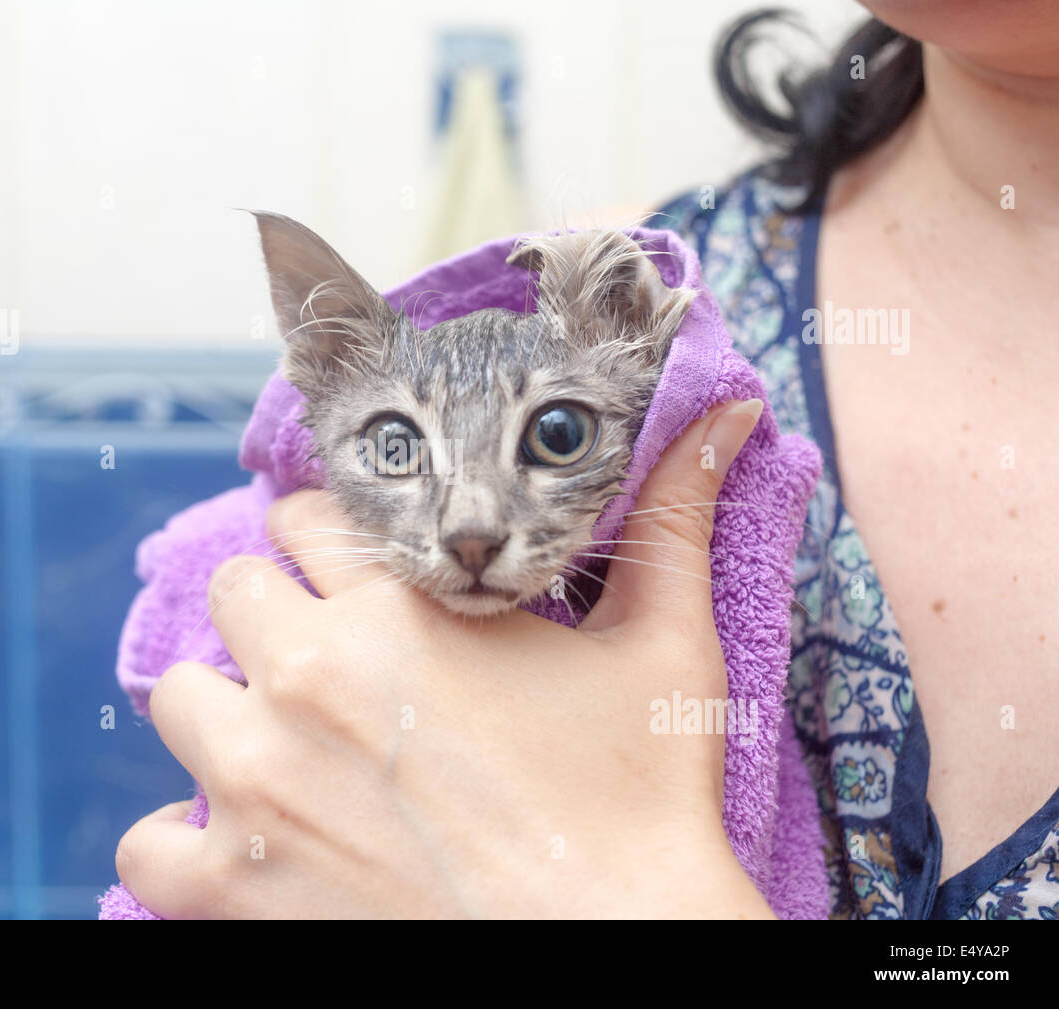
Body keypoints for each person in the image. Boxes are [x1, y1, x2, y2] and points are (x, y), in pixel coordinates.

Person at [114, 2, 1059, 919]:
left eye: (555, 436)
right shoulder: (636, 274)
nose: (474, 525)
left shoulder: (663, 351)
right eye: (403, 449)